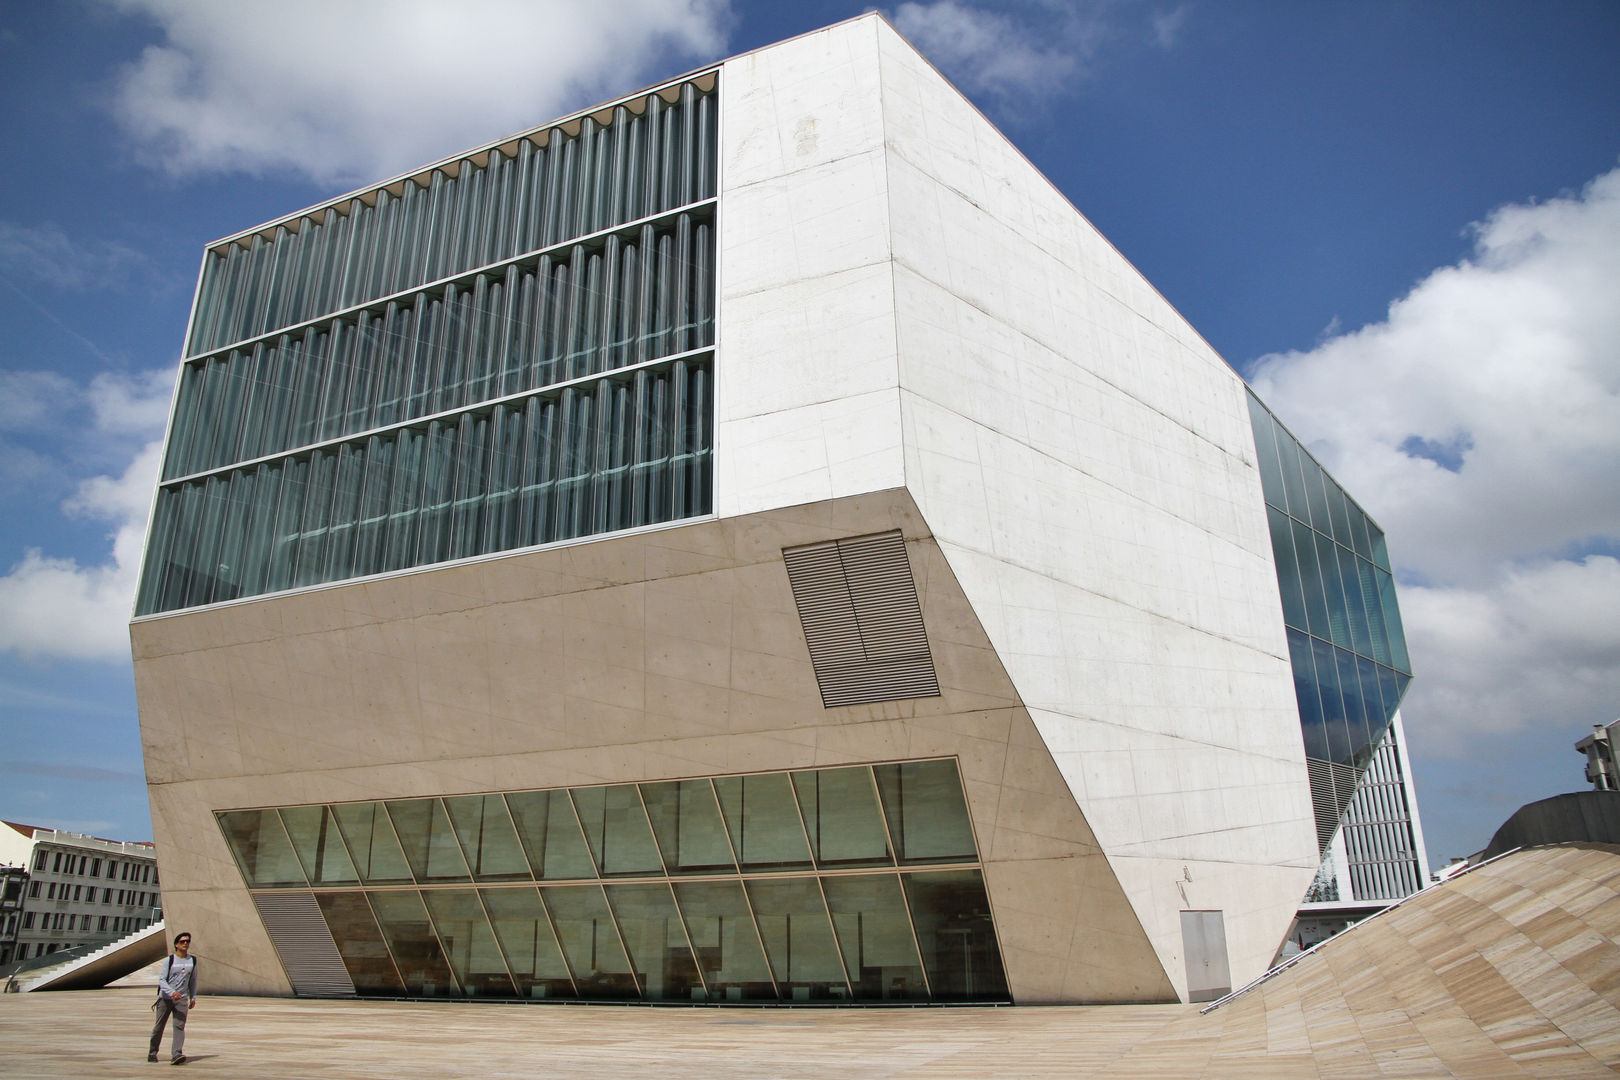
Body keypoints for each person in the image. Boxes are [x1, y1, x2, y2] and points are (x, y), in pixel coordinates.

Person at [149, 931, 197, 1065]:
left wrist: (192, 997)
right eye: (182, 941)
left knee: (179, 1026)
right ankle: (152, 1052)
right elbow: (162, 980)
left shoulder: (192, 960)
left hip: (181, 999)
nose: (185, 943)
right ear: (176, 944)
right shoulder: (169, 960)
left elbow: (193, 980)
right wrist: (171, 992)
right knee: (159, 1027)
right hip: (166, 999)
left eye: (187, 941)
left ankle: (177, 1054)